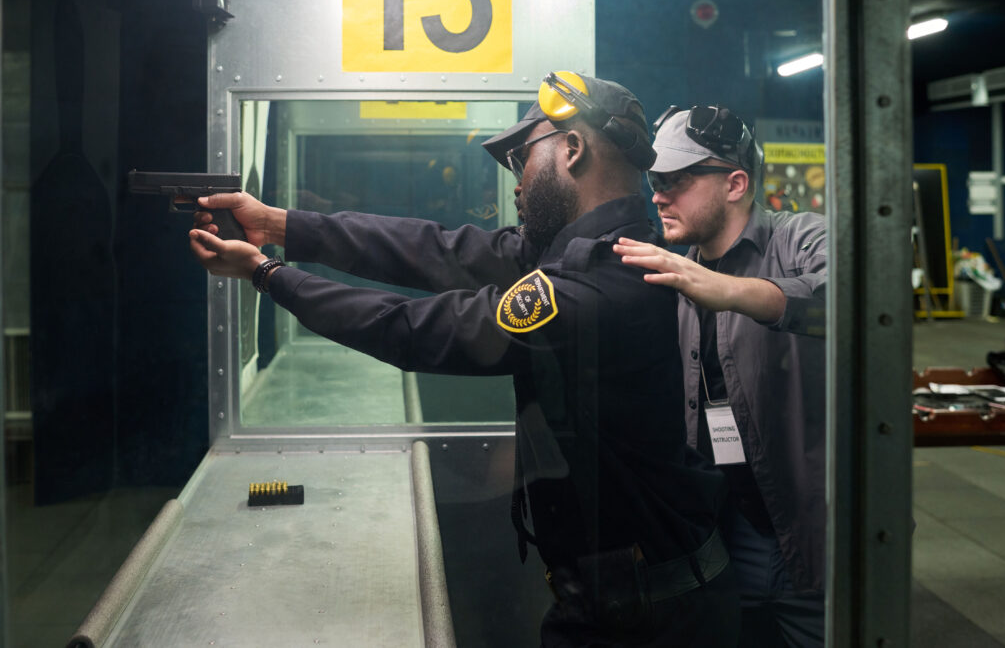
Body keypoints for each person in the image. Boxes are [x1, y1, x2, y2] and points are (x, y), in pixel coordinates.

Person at [189, 73, 739, 646]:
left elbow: (416, 332)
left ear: (572, 150)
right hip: (625, 599)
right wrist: (279, 226)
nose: (518, 183)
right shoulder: (574, 256)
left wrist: (265, 273)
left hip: (653, 621)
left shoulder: (606, 284)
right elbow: (433, 250)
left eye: (521, 158)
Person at [614, 105, 827, 647]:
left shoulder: (800, 238)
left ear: (736, 183)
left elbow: (852, 294)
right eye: (654, 181)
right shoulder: (675, 274)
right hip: (719, 541)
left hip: (808, 540)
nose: (658, 194)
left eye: (677, 181)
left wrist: (726, 289)